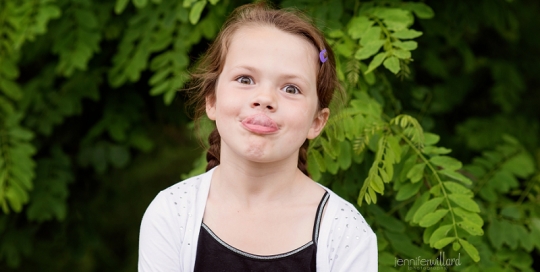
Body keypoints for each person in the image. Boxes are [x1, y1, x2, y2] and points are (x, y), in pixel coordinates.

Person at [138, 2, 377, 271]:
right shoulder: (172, 213)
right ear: (212, 100)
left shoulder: (345, 233)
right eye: (245, 79)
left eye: (291, 88)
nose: (264, 99)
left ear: (317, 122)